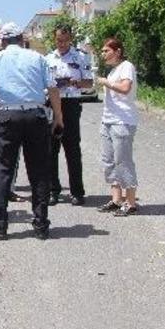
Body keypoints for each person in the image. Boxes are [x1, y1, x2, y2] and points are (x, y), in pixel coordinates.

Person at [0, 22, 63, 240]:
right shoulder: (38, 58)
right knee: (38, 171)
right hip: (35, 115)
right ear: (21, 39)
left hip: (7, 116)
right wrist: (58, 117)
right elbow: (53, 87)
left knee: (3, 170)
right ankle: (41, 225)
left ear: (3, 41)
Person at [45, 25, 94, 206]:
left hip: (71, 104)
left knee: (72, 149)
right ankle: (53, 190)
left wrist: (75, 82)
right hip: (51, 103)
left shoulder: (80, 57)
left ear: (70, 39)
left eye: (65, 40)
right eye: (59, 40)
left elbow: (89, 82)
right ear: (54, 38)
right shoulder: (48, 58)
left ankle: (77, 191)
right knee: (51, 149)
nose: (62, 43)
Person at [96, 37, 139, 216]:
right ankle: (116, 199)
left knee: (123, 161)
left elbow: (125, 88)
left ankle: (131, 202)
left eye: (107, 50)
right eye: (103, 51)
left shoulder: (126, 66)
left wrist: (105, 82)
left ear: (118, 51)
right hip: (108, 120)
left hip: (122, 121)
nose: (103, 54)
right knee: (109, 161)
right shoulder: (113, 70)